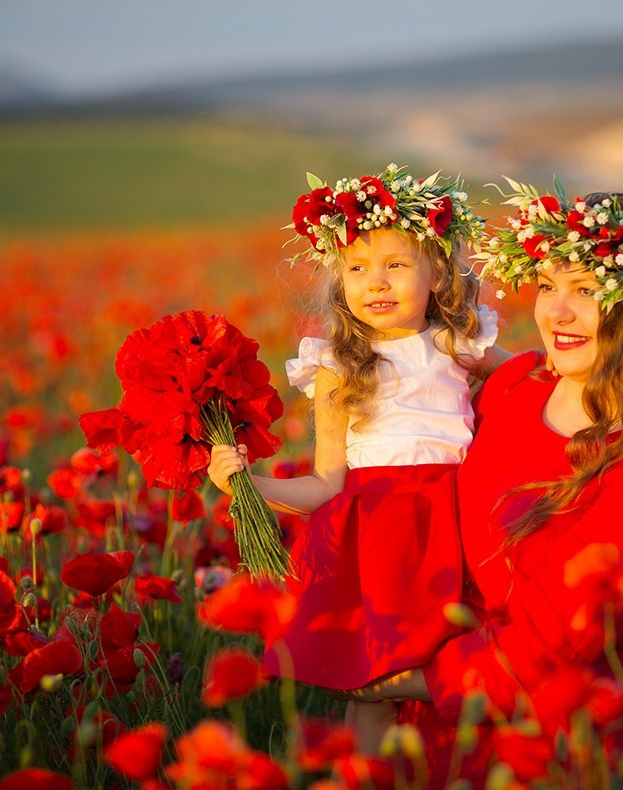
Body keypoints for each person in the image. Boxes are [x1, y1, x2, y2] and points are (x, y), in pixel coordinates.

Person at [343, 186, 623, 785]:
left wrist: (393, 677)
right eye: (547, 286)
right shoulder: (518, 385)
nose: (555, 313)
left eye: (586, 291)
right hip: (429, 717)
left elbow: (551, 643)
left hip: (556, 740)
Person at [207, 164, 510, 754]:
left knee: (455, 673)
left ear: (438, 272)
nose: (377, 282)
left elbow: (532, 384)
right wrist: (248, 484)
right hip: (375, 540)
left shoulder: (456, 345)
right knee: (374, 688)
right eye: (357, 268)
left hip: (457, 525)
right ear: (339, 282)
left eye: (396, 265)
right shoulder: (337, 367)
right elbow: (324, 485)